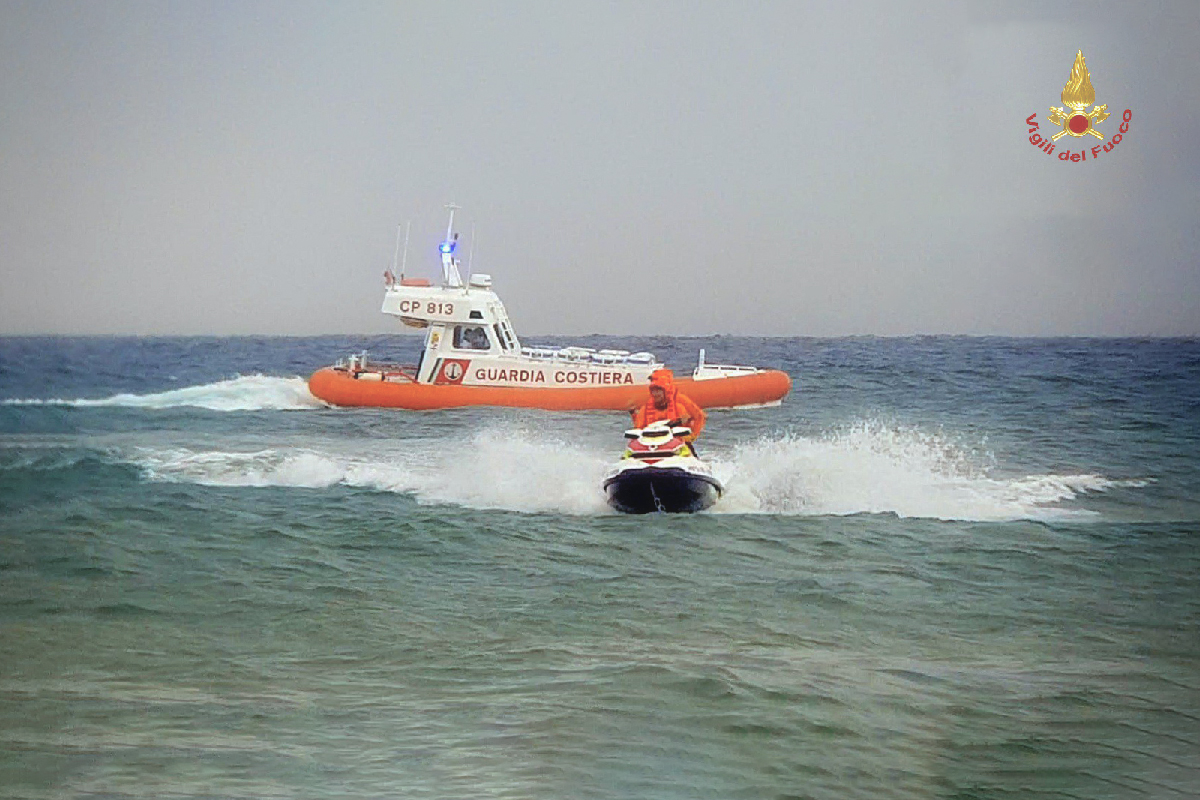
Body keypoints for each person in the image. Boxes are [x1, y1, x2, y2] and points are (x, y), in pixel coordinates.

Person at [630, 368, 706, 441]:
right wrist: (634, 415)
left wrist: (693, 435)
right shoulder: (645, 408)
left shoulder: (680, 404)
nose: (655, 394)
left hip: (676, 442)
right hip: (651, 444)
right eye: (653, 390)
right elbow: (638, 429)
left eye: (658, 390)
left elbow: (698, 416)